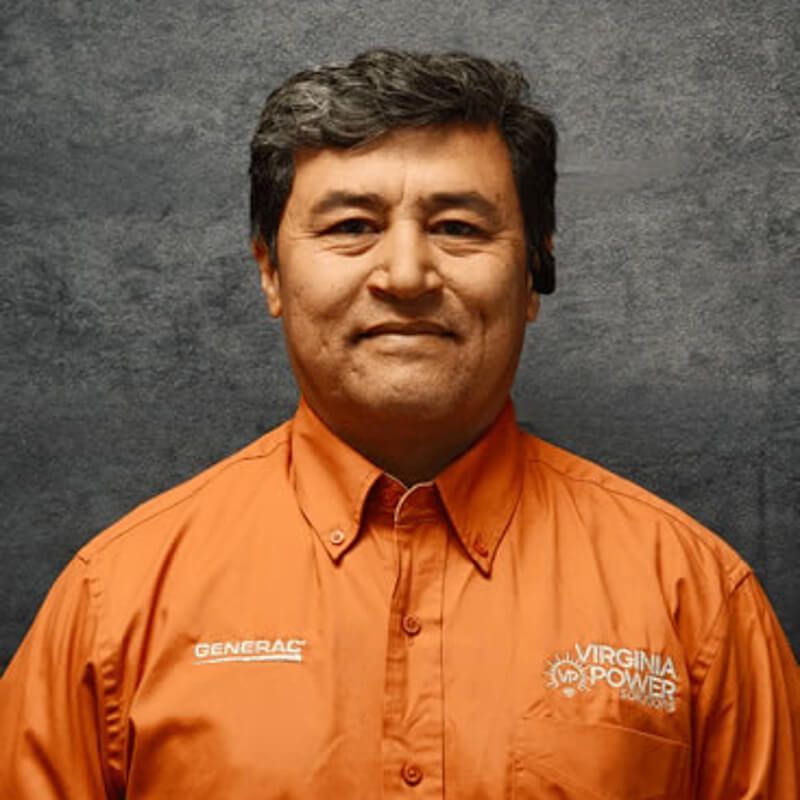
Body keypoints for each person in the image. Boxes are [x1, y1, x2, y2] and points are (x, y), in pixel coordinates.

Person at [1, 49, 797, 799]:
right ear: (270, 272)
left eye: (458, 227)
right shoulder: (115, 605)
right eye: (351, 226)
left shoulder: (696, 602)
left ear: (532, 277)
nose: (407, 275)